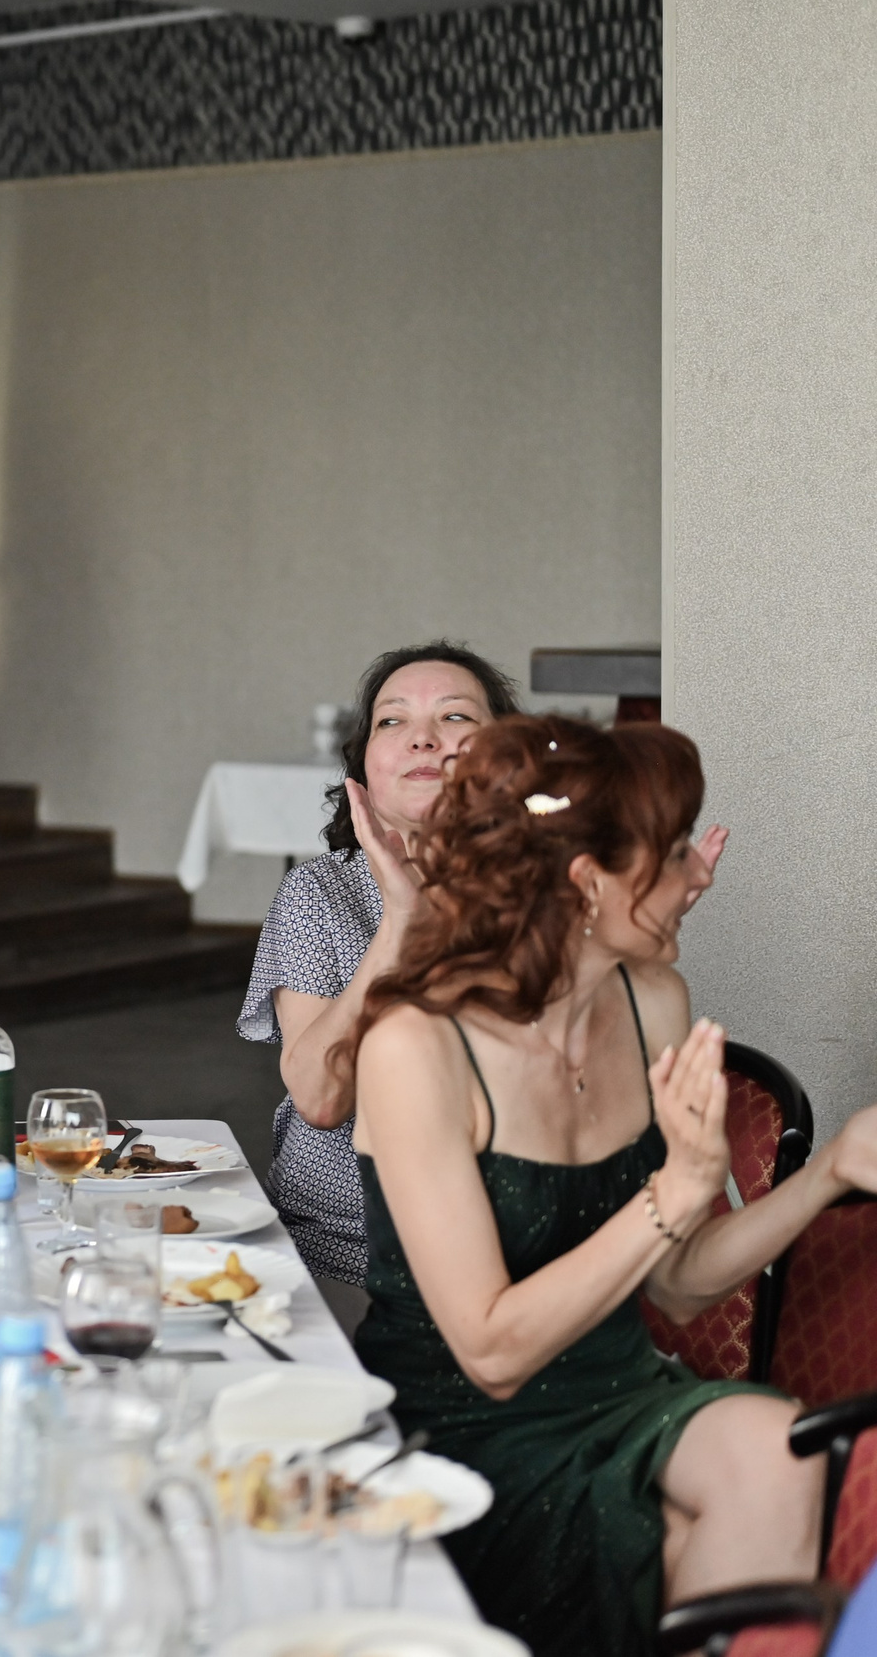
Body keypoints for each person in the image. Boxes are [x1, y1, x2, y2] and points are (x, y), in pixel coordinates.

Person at [350, 715, 877, 1652]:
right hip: (464, 1433)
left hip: (624, 1389)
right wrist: (671, 1194)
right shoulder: (415, 1047)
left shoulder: (653, 1001)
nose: (699, 875)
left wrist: (832, 1166)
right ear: (588, 883)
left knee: (779, 1447)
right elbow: (492, 1349)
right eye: (673, 852)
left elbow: (677, 1277)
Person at [238, 643, 521, 1293]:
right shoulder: (318, 893)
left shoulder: (545, 900)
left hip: (499, 1259)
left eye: (456, 719)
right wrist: (399, 923)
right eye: (392, 721)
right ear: (363, 765)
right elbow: (320, 1098)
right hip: (341, 1255)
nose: (423, 738)